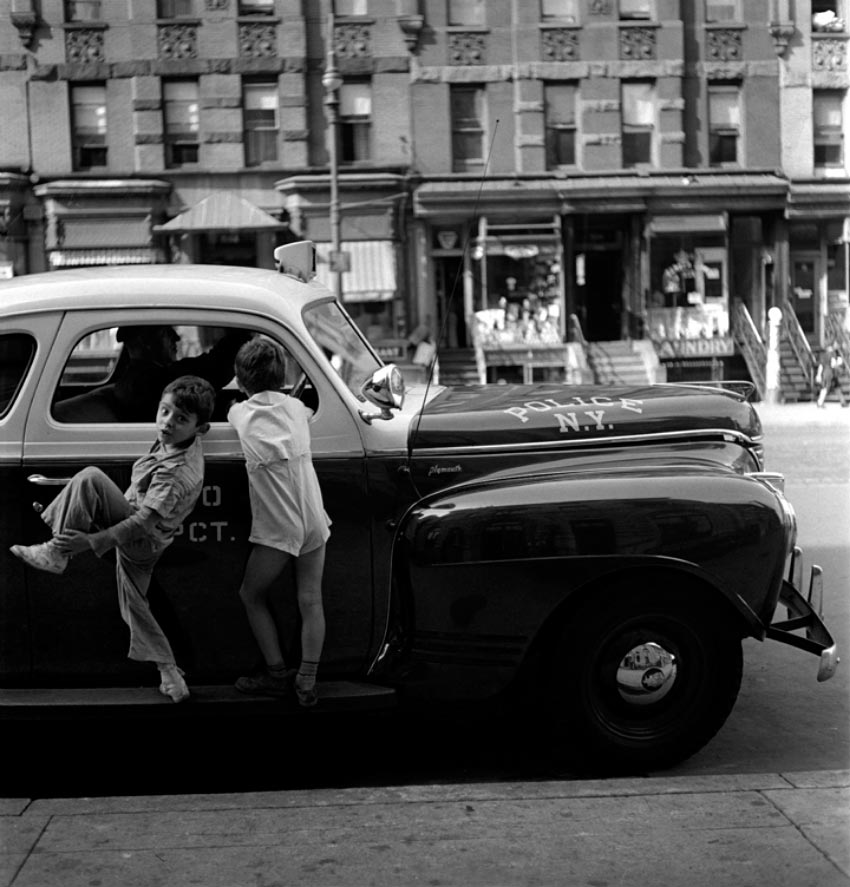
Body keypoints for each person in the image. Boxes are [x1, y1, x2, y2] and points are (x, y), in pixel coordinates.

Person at [10, 375, 216, 703]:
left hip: (141, 537)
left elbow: (144, 522)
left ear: (200, 429)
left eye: (180, 419)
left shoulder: (175, 472)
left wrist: (91, 542)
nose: (167, 423)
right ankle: (170, 674)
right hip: (151, 539)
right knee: (134, 604)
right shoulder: (182, 441)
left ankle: (56, 551)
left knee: (90, 478)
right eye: (164, 412)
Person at [227, 338, 330, 707]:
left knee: (251, 594)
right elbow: (298, 414)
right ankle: (307, 678)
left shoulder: (240, 414)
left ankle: (275, 672)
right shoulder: (298, 407)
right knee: (310, 600)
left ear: (241, 383)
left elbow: (234, 412)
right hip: (314, 518)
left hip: (278, 527)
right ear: (283, 376)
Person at [110, 325, 249, 422]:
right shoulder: (152, 381)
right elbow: (216, 368)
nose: (176, 337)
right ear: (145, 341)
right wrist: (242, 333)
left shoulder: (136, 378)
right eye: (166, 331)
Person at [815, 342, 848, 408]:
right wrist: (839, 364)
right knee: (827, 387)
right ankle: (820, 402)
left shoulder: (823, 355)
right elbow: (833, 364)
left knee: (836, 386)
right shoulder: (833, 354)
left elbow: (821, 365)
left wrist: (818, 375)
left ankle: (843, 402)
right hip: (830, 372)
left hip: (826, 372)